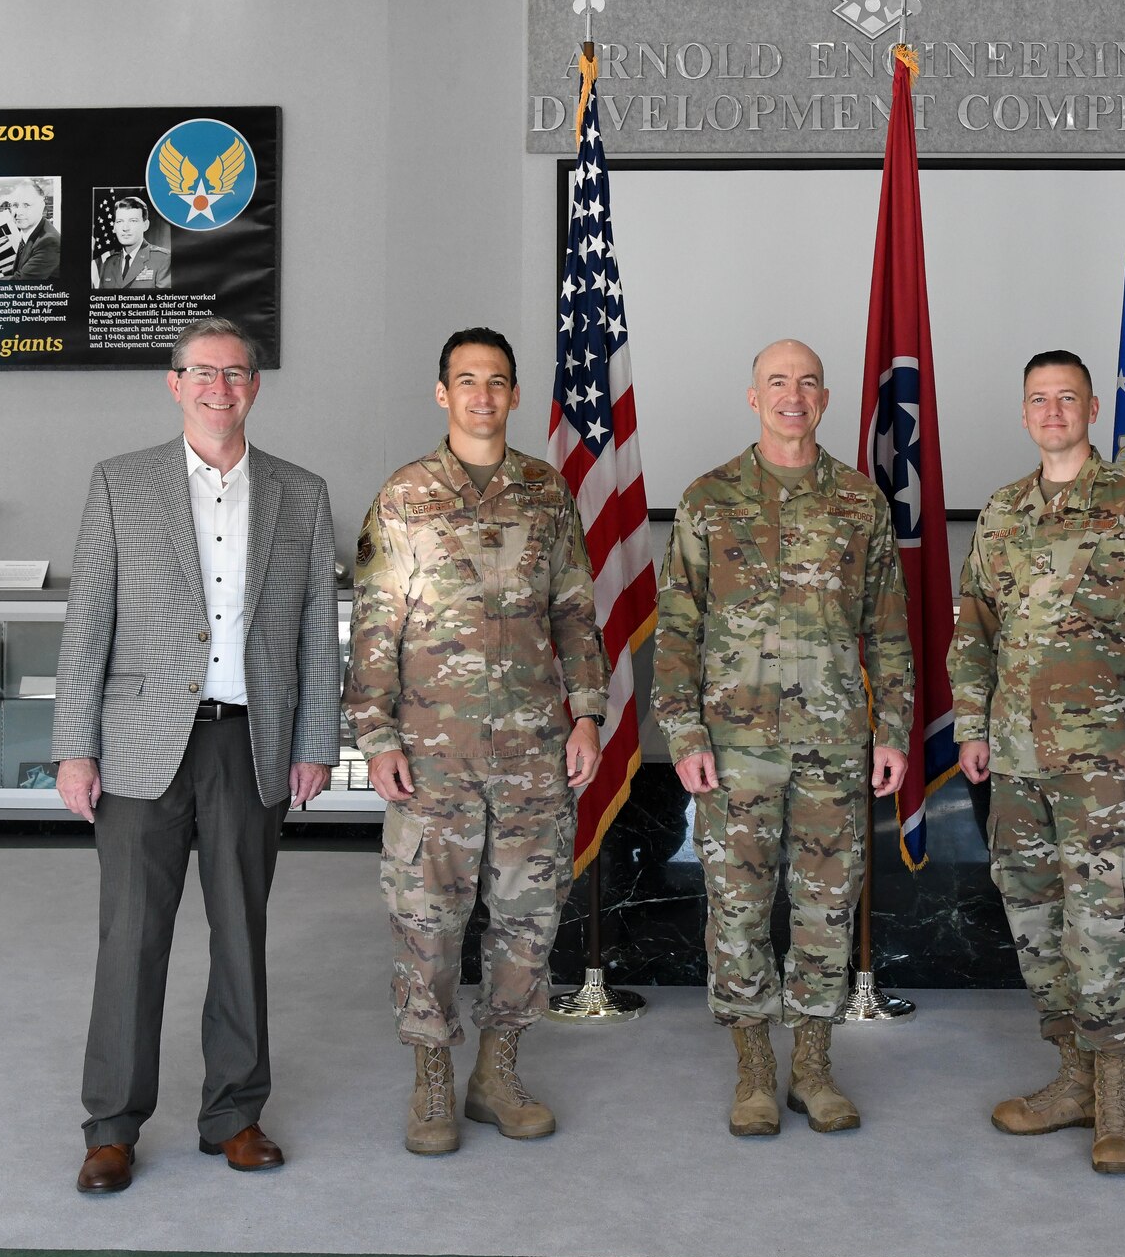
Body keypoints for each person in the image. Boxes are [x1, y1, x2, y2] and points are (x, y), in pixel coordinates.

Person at [52, 317, 339, 1195]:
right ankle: (111, 1126)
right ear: (173, 384)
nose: (220, 387)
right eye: (201, 373)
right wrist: (74, 748)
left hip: (249, 743)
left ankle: (235, 1115)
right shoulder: (119, 485)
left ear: (256, 385)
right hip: (139, 745)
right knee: (131, 938)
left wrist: (316, 742)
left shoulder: (301, 493)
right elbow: (86, 624)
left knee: (240, 935)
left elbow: (314, 636)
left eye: (237, 373)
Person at [345, 327, 608, 1156]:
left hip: (534, 750)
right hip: (433, 752)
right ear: (442, 393)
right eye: (466, 380)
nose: (483, 396)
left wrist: (590, 714)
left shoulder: (546, 493)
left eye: (497, 381)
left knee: (528, 920)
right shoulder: (404, 496)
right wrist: (375, 735)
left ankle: (498, 1072)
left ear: (515, 394)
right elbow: (375, 624)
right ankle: (432, 1081)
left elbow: (573, 610)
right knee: (426, 923)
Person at [652, 338, 913, 1138]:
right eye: (776, 382)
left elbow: (890, 632)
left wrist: (894, 729)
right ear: (753, 396)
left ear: (825, 400)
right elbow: (677, 630)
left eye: (806, 383)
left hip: (834, 744)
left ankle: (812, 1063)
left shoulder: (860, 503)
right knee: (735, 910)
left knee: (827, 909)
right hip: (733, 750)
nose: (791, 395)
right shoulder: (708, 498)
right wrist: (685, 732)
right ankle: (755, 1068)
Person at [949, 349, 1125, 1175]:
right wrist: (972, 727)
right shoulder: (1002, 513)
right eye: (1038, 400)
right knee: (1035, 919)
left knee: (1101, 924)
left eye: (1067, 398)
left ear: (1092, 407)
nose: (1053, 411)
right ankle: (1072, 1079)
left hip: (1107, 758)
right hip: (1018, 757)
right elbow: (975, 625)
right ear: (1024, 414)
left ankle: (1119, 1096)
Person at [95, 197, 172, 291]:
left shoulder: (163, 259)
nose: (125, 228)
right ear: (114, 227)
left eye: (133, 221)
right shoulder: (109, 263)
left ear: (145, 225)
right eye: (120, 221)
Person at [4, 177, 62, 283]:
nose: (19, 212)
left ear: (41, 206)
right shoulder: (30, 231)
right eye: (15, 205)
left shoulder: (49, 241)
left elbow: (21, 282)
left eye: (26, 205)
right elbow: (21, 271)